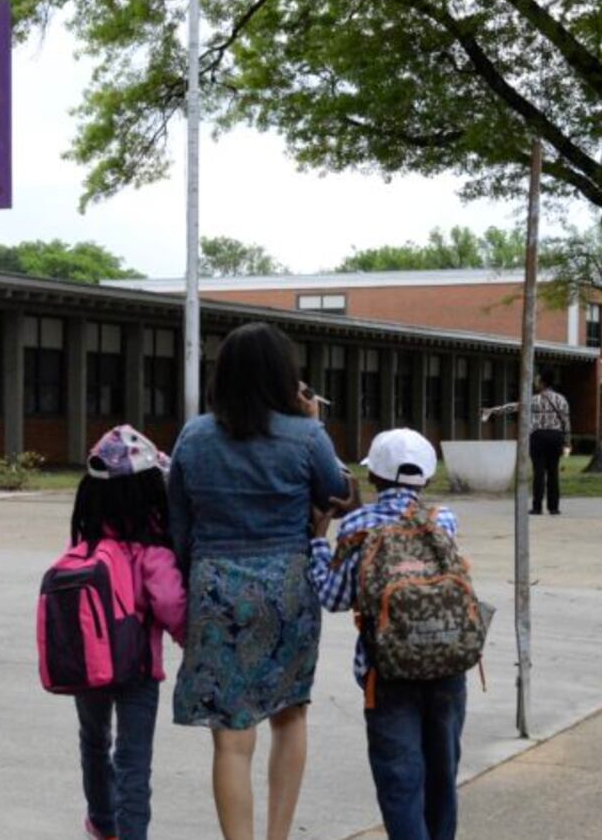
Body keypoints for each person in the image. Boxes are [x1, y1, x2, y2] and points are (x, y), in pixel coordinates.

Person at [168, 322, 354, 840]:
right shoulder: (306, 435)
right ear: (283, 375)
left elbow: (178, 526)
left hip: (215, 587)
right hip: (287, 587)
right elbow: (337, 493)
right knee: (289, 713)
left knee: (231, 737)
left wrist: (193, 583)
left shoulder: (193, 436)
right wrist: (314, 423)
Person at [308, 429, 468, 840]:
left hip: (387, 673)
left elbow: (334, 597)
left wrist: (318, 542)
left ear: (373, 477)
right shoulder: (444, 520)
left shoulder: (358, 525)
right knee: (442, 774)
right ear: (427, 479)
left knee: (400, 779)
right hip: (448, 665)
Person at [68, 426, 187, 840]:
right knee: (134, 761)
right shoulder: (150, 549)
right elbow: (170, 603)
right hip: (138, 669)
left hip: (88, 665)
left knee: (94, 741)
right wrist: (190, 640)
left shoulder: (83, 546)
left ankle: (102, 823)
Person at [482, 371, 571, 515]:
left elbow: (514, 407)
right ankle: (554, 507)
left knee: (538, 471)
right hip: (556, 436)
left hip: (538, 436)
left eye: (538, 381)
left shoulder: (533, 399)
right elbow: (566, 422)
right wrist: (567, 441)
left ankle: (537, 507)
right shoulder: (562, 400)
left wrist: (493, 410)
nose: (536, 383)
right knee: (553, 472)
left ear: (542, 383)